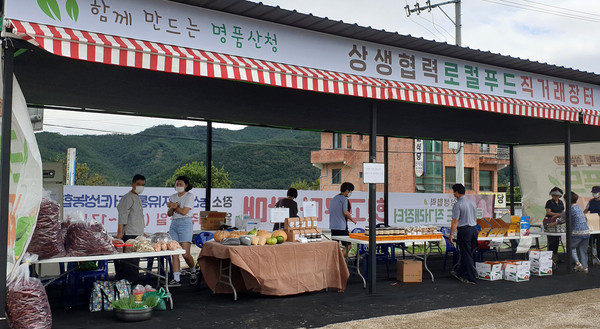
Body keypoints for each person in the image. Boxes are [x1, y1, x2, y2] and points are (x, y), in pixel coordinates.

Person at [115, 174, 146, 285]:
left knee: (134, 263)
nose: (140, 187)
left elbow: (136, 218)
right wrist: (119, 234)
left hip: (138, 234)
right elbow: (122, 216)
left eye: (143, 185)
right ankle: (128, 287)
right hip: (129, 235)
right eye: (138, 184)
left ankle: (132, 286)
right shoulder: (127, 197)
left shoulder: (136, 197)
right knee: (130, 264)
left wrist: (143, 233)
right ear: (132, 184)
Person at [166, 176, 197, 286]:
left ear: (186, 185)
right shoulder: (173, 196)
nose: (178, 186)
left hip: (185, 223)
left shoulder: (189, 196)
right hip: (174, 223)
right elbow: (169, 214)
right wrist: (172, 207)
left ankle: (193, 271)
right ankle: (176, 278)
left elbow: (184, 212)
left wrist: (174, 206)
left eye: (181, 184)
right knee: (174, 252)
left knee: (185, 254)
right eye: (177, 184)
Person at [449, 183, 478, 284]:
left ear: (456, 193)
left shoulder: (458, 205)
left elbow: (455, 221)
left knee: (466, 254)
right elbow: (475, 218)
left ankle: (471, 278)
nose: (453, 194)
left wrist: (451, 235)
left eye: (454, 192)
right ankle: (461, 273)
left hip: (464, 231)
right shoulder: (472, 203)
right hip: (474, 230)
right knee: (470, 253)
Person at [563, 192, 590, 273]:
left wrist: (552, 224)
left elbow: (562, 220)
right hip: (586, 231)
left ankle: (578, 264)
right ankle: (585, 268)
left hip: (577, 232)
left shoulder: (569, 209)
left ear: (567, 200)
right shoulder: (578, 207)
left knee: (570, 247)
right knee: (583, 250)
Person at [329, 182, 356, 258]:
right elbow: (346, 212)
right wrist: (352, 219)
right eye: (350, 191)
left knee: (335, 246)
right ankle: (338, 260)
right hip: (341, 226)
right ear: (347, 190)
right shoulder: (344, 199)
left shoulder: (333, 199)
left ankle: (344, 263)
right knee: (348, 245)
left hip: (333, 226)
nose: (350, 193)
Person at [544, 187, 565, 263]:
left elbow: (563, 212)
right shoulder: (549, 202)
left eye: (557, 195)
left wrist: (558, 215)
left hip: (558, 222)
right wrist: (558, 214)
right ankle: (550, 256)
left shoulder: (561, 202)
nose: (555, 196)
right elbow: (548, 212)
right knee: (551, 240)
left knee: (557, 240)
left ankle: (555, 256)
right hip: (550, 221)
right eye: (554, 195)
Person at [584, 186, 600, 262]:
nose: (594, 194)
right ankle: (591, 257)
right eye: (593, 193)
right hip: (592, 224)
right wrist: (583, 216)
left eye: (596, 192)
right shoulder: (591, 202)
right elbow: (586, 210)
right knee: (590, 241)